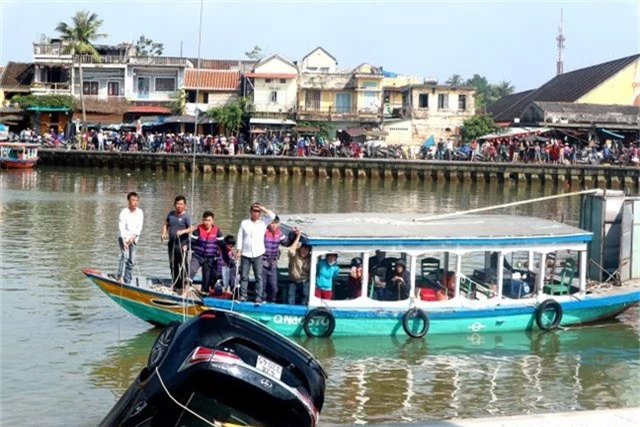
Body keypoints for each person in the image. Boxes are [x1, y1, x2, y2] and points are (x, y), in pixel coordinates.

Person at [236, 202, 276, 303]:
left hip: (258, 253)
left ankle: (258, 297)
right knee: (244, 276)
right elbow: (240, 237)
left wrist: (263, 208)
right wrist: (238, 250)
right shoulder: (244, 223)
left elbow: (273, 216)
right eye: (254, 211)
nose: (256, 213)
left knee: (259, 276)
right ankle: (243, 296)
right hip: (245, 253)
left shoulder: (264, 222)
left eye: (258, 211)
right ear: (251, 211)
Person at [185, 211, 224, 294]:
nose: (207, 222)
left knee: (207, 280)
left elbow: (222, 244)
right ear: (202, 220)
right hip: (197, 256)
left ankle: (204, 294)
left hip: (210, 258)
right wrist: (186, 247)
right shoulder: (198, 230)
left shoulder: (217, 231)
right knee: (190, 272)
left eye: (209, 220)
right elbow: (191, 242)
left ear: (212, 221)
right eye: (205, 220)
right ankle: (185, 292)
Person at [161, 195, 192, 291]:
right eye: (178, 204)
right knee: (172, 264)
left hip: (182, 245)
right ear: (175, 204)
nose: (179, 206)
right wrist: (164, 233)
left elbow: (192, 228)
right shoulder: (171, 214)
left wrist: (182, 232)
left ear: (184, 205)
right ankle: (175, 283)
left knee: (182, 265)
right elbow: (166, 224)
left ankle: (184, 284)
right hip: (172, 244)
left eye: (181, 204)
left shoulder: (186, 216)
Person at [262, 216, 291, 302]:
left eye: (275, 223)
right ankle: (262, 300)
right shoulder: (263, 232)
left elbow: (287, 243)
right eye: (272, 223)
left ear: (278, 224)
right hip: (262, 261)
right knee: (262, 284)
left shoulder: (279, 233)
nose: (273, 225)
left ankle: (272, 301)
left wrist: (294, 233)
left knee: (274, 286)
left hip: (273, 262)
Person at [117, 192, 144, 284]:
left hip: (134, 238)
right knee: (124, 256)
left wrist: (134, 236)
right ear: (129, 201)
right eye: (133, 200)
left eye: (137, 200)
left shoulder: (140, 212)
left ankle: (127, 279)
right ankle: (120, 277)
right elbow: (121, 227)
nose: (135, 202)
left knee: (131, 260)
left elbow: (139, 227)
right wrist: (124, 240)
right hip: (123, 237)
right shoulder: (124, 212)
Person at [287, 228, 311, 305]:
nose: (305, 251)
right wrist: (298, 236)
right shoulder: (295, 254)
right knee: (291, 297)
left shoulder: (310, 258)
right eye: (304, 248)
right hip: (293, 280)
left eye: (307, 250)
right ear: (300, 248)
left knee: (305, 296)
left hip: (304, 281)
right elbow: (291, 251)